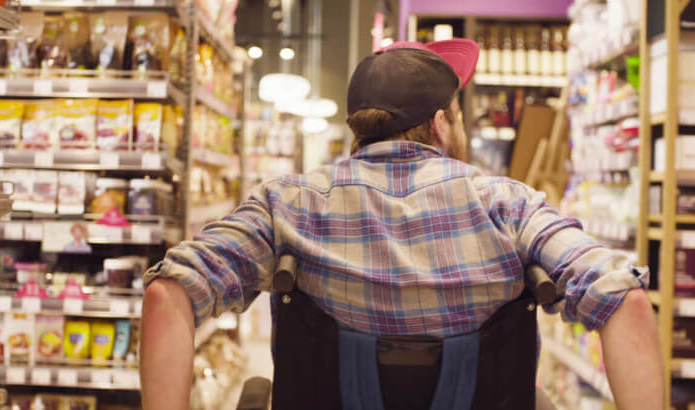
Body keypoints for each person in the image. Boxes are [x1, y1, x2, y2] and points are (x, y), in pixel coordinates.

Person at [140, 39, 664, 410]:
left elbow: (168, 294)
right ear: (440, 123)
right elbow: (624, 299)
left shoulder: (288, 204)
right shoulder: (510, 204)